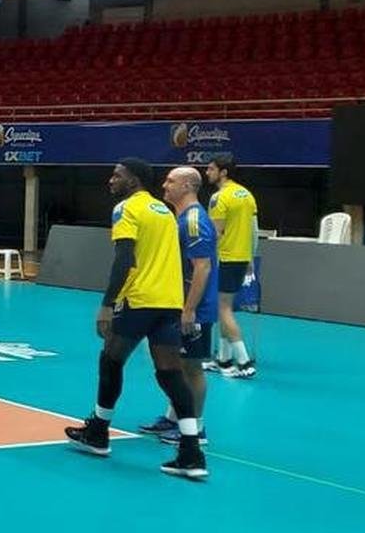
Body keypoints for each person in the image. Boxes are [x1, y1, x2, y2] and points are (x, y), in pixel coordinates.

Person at [65, 158, 207, 481]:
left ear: (134, 180)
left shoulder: (126, 209)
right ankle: (191, 452)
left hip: (139, 298)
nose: (111, 180)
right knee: (170, 373)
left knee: (110, 360)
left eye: (117, 175)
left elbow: (124, 259)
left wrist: (107, 304)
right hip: (169, 301)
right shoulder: (164, 211)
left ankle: (98, 432)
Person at [139, 166, 217, 446]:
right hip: (178, 303)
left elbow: (202, 267)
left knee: (192, 368)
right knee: (177, 364)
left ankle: (196, 428)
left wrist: (190, 309)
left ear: (187, 186)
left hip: (195, 308)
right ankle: (174, 418)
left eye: (171, 181)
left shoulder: (194, 220)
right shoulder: (180, 217)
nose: (164, 185)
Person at [204, 154, 258, 379]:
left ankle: (243, 362)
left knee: (223, 309)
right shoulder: (247, 194)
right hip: (241, 257)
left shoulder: (219, 198)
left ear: (223, 172)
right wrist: (250, 257)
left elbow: (215, 233)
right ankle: (223, 359)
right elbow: (254, 230)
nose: (207, 172)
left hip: (224, 258)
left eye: (211, 168)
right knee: (224, 306)